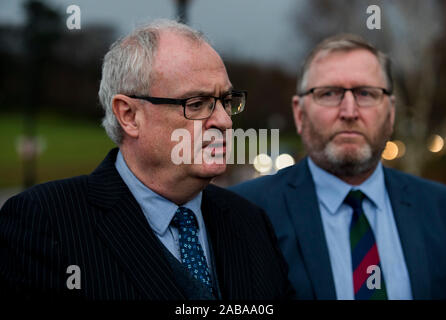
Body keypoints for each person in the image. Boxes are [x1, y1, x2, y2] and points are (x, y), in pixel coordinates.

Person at [0, 19, 292, 300]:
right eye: (197, 104)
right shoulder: (46, 222)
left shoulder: (250, 221)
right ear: (129, 115)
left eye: (226, 102)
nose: (224, 122)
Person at [231, 34, 446, 300]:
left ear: (391, 113)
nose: (349, 111)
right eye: (330, 94)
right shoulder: (244, 213)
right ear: (299, 114)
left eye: (366, 93)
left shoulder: (441, 209)